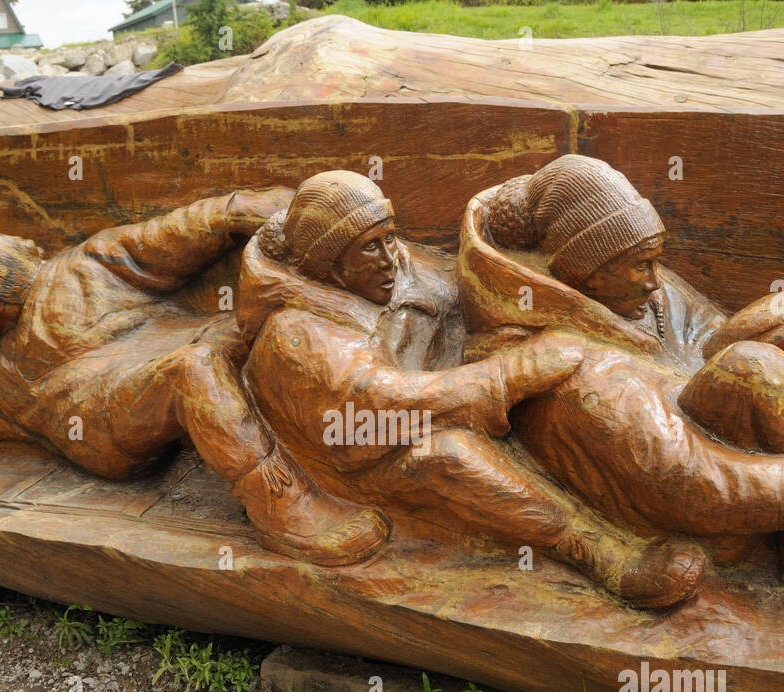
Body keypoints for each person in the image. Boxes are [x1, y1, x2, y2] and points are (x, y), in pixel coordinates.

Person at [460, 154, 784, 608]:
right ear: (584, 270)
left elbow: (705, 334)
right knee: (755, 366)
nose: (653, 279)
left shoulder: (643, 295)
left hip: (713, 423)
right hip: (696, 501)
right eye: (639, 265)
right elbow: (678, 477)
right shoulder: (563, 361)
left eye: (655, 260)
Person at [0, 190, 390, 568]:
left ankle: (378, 413)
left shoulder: (88, 266)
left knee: (247, 327)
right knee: (192, 370)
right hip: (111, 423)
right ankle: (280, 503)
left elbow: (198, 222)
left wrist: (277, 215)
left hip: (177, 358)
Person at [235, 170, 709, 610]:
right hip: (375, 449)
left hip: (459, 385)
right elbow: (375, 405)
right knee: (449, 456)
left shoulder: (395, 268)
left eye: (390, 238)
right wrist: (509, 374)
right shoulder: (298, 330)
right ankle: (600, 555)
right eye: (368, 248)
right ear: (329, 265)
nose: (389, 260)